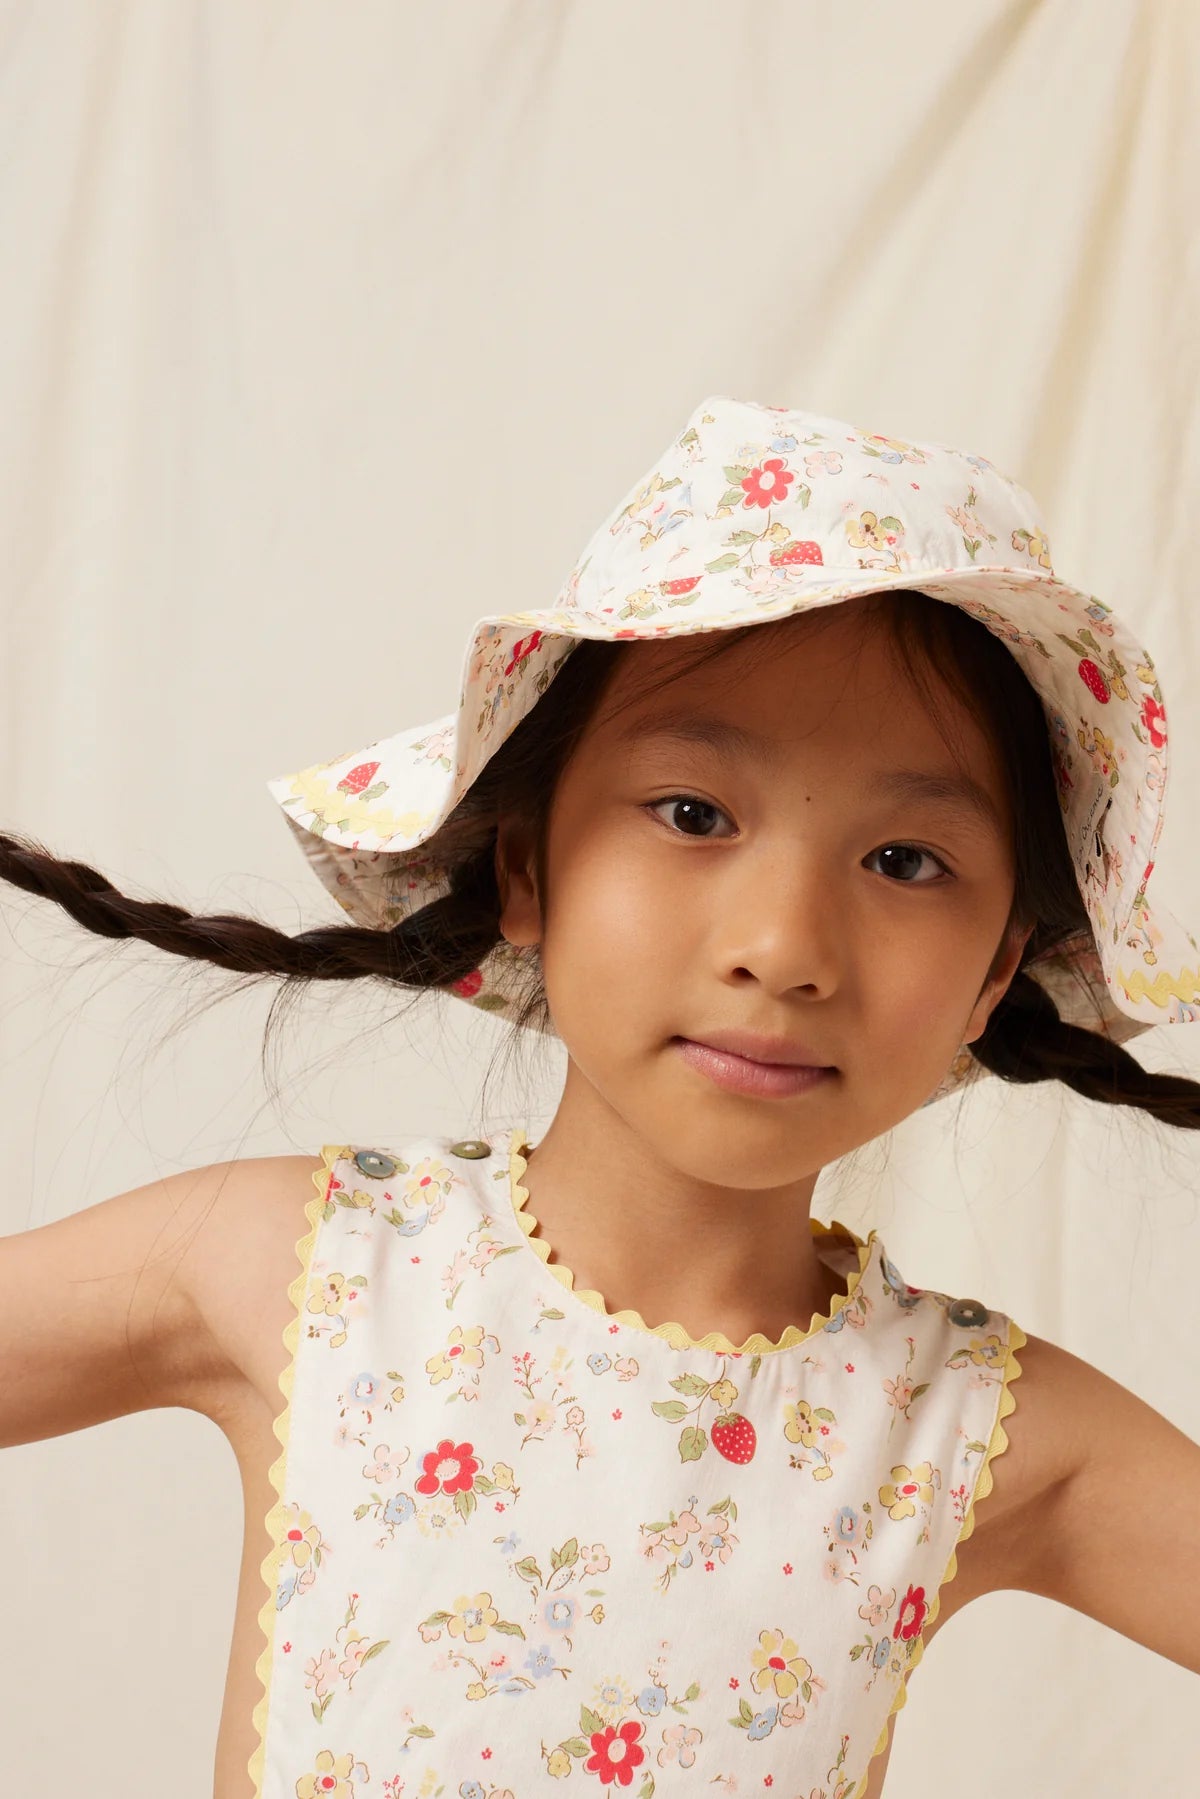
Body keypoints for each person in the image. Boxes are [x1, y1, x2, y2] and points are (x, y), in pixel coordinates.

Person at [3, 394, 1199, 1799]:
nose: (786, 948)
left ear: (998, 971)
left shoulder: (982, 1433)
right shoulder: (290, 1269)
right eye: (693, 813)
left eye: (906, 861)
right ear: (529, 867)